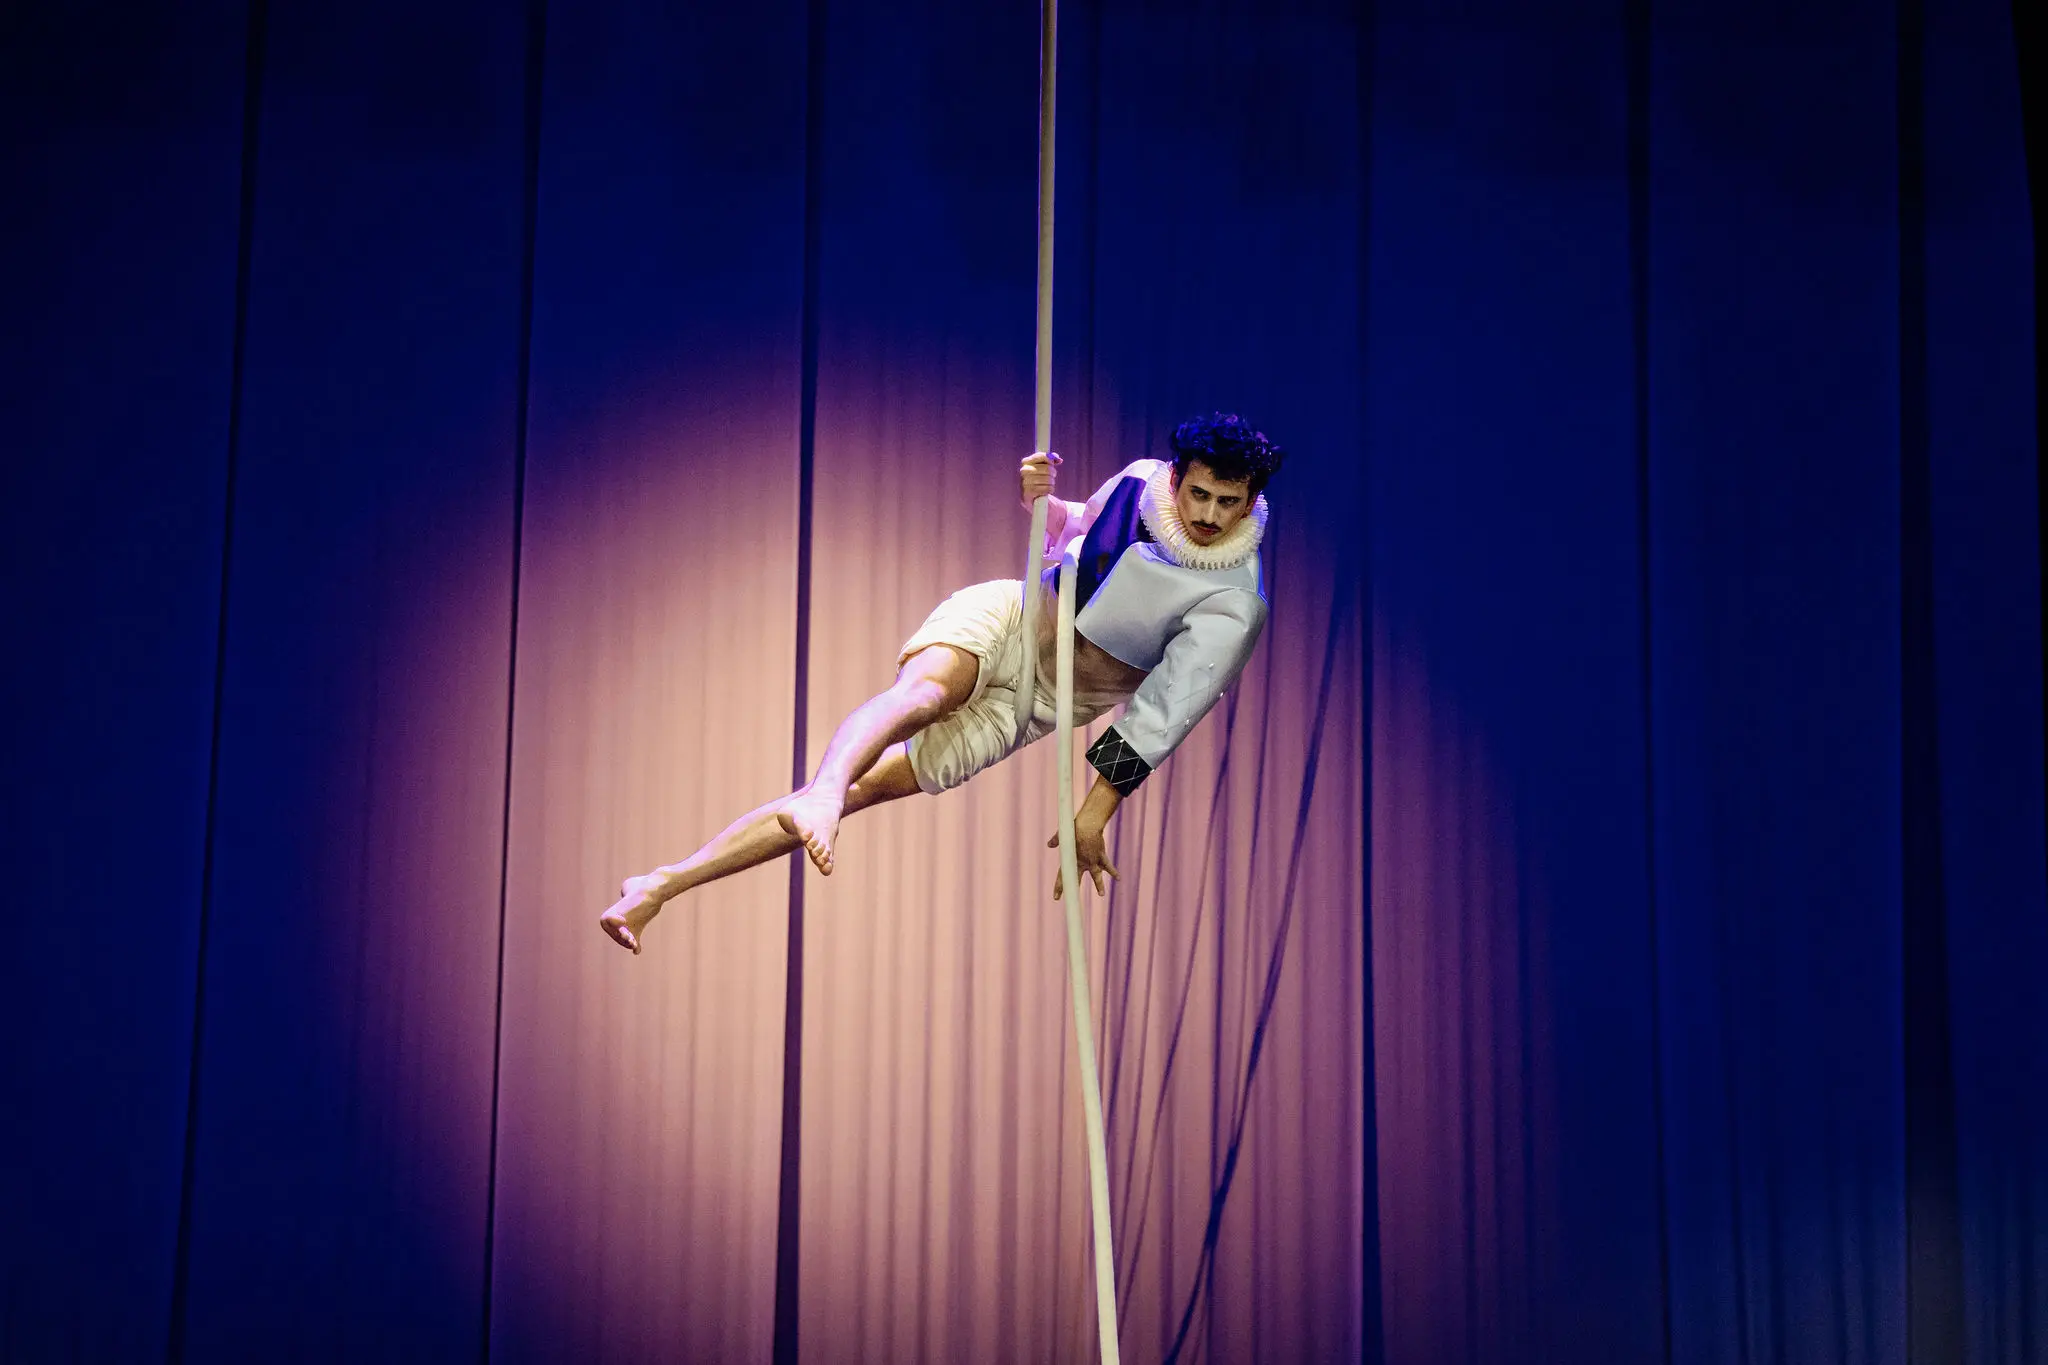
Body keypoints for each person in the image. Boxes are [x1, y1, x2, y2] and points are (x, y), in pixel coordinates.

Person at [599, 412, 1283, 954]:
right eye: (1198, 494)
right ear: (1175, 477)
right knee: (922, 696)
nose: (1208, 516)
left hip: (1043, 703)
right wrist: (1040, 500)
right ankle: (823, 794)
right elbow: (1077, 530)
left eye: (1228, 502)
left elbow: (1165, 711)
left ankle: (661, 884)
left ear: (1251, 500)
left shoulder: (1234, 602)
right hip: (1015, 617)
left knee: (869, 788)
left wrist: (1093, 812)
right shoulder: (1139, 482)